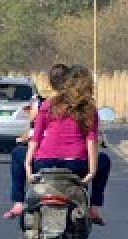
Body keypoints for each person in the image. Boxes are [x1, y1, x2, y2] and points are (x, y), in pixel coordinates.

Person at [25, 65, 111, 225]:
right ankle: (94, 207)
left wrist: (28, 164)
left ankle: (23, 206)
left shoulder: (49, 104)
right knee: (104, 160)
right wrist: (92, 171)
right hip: (77, 165)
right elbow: (91, 140)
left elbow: (36, 136)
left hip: (45, 162)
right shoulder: (89, 109)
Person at [4, 63, 66, 219]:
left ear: (50, 81)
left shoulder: (43, 103)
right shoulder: (80, 103)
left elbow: (35, 132)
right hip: (76, 161)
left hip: (44, 158)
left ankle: (18, 202)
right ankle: (93, 205)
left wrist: (28, 160)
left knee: (18, 153)